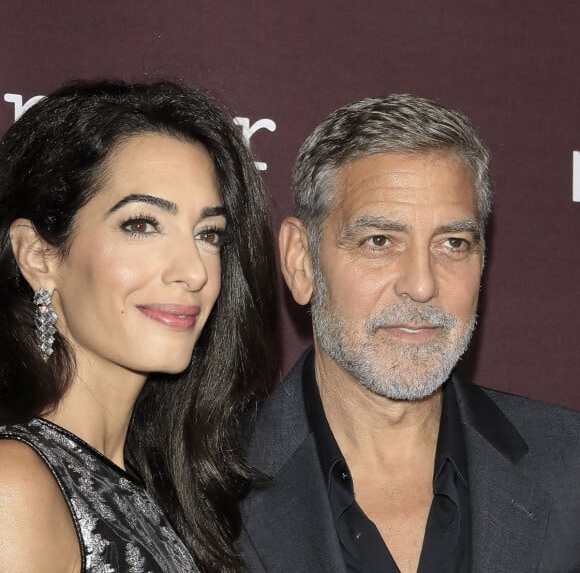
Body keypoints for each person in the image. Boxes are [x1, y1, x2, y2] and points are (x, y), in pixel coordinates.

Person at [239, 94, 580, 572]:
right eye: (379, 241)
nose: (422, 285)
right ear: (302, 261)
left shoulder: (572, 470)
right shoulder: (200, 482)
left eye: (452, 243)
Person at [0, 79, 278, 572]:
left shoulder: (156, 488)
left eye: (208, 234)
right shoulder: (15, 487)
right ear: (38, 256)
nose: (194, 271)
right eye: (142, 225)